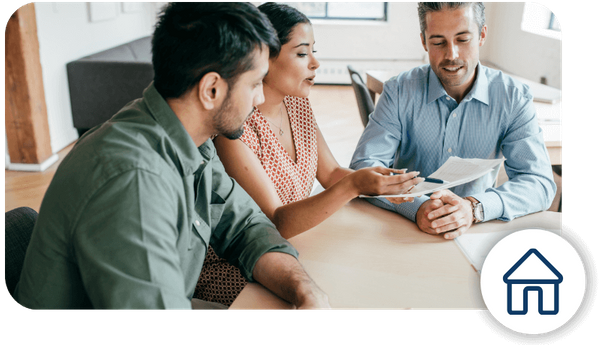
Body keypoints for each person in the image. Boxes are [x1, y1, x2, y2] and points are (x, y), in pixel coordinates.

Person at [14, 1, 330, 311]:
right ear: (211, 90)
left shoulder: (193, 139)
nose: (260, 97)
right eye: (254, 83)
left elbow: (247, 227)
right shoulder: (132, 181)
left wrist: (306, 292)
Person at [194, 1, 422, 306]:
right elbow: (277, 223)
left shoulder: (297, 103)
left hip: (300, 244)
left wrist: (381, 182)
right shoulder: (234, 128)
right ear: (264, 58)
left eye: (314, 50)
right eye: (302, 53)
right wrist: (354, 186)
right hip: (239, 262)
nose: (315, 63)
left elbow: (330, 173)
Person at [350, 1, 556, 240]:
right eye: (438, 42)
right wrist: (416, 207)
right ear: (424, 41)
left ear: (481, 35)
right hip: (401, 229)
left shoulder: (513, 97)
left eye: (463, 39)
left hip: (475, 230)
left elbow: (539, 183)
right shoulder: (398, 91)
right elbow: (364, 167)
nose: (451, 55)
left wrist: (474, 207)